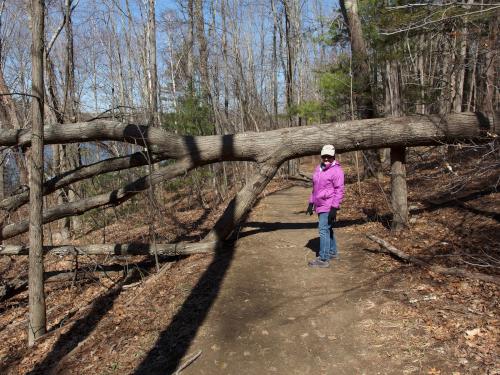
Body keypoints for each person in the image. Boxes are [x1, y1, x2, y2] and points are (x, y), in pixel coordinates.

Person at [306, 144, 345, 268]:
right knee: (328, 229)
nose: (326, 159)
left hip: (328, 205)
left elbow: (339, 190)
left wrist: (334, 207)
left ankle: (323, 259)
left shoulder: (337, 171)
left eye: (329, 157)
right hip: (319, 204)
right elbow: (315, 188)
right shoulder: (319, 168)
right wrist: (311, 202)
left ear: (333, 156)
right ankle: (332, 252)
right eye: (324, 156)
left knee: (323, 230)